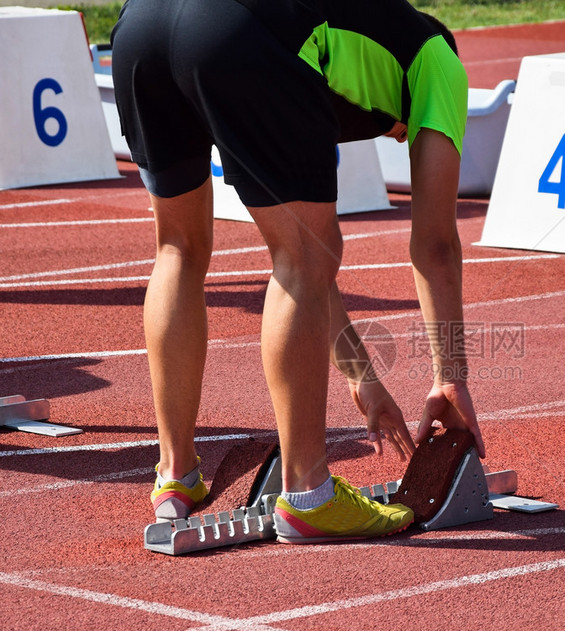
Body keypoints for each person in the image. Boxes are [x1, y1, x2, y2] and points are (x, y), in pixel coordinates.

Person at [110, 0, 484, 543]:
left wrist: (364, 380)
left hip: (142, 24)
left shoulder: (339, 48)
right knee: (305, 254)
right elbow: (436, 247)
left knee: (180, 248)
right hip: (233, 29)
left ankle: (176, 475)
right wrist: (451, 378)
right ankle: (309, 493)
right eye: (405, 134)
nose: (400, 139)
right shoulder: (441, 65)